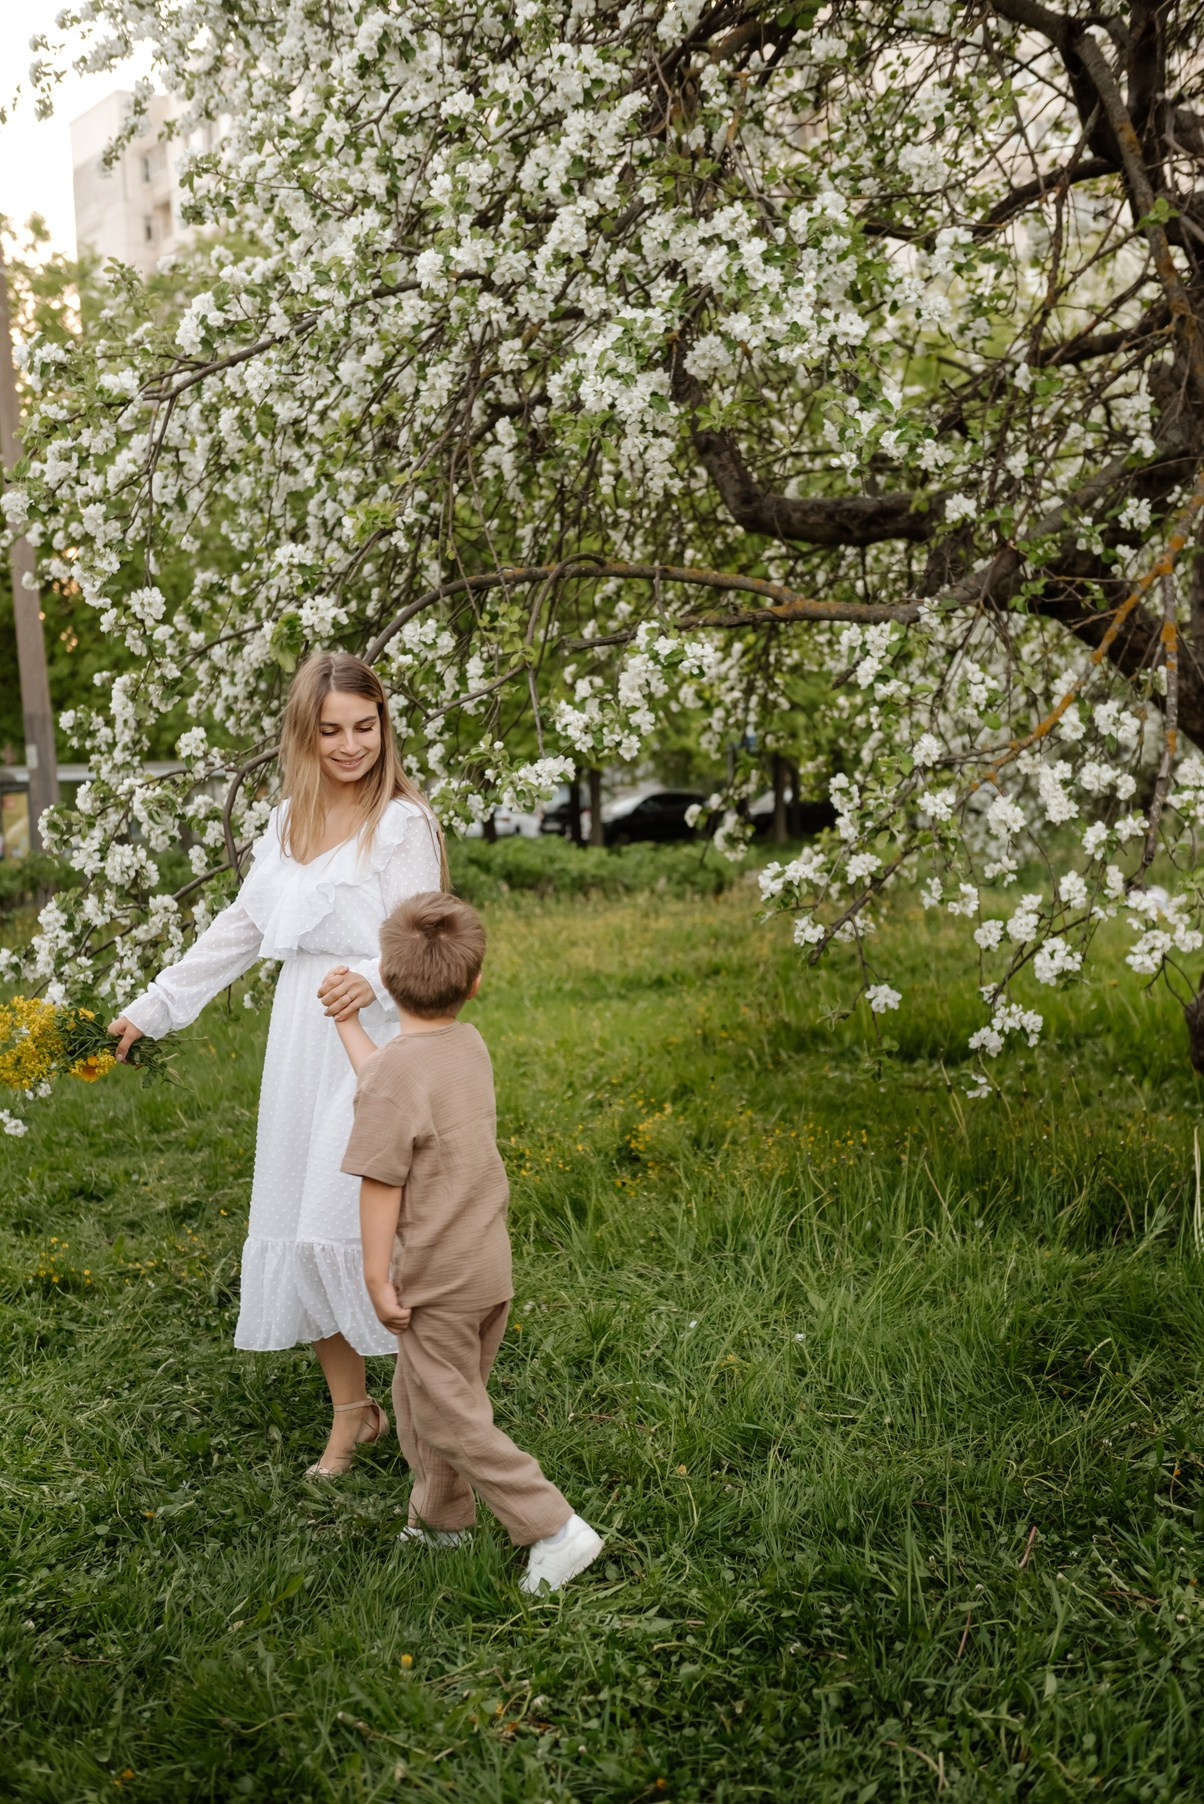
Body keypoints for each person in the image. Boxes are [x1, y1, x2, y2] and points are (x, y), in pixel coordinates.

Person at [107, 651, 447, 1480]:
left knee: (374, 1226)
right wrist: (153, 1007)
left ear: (383, 725)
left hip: (376, 1038)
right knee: (303, 1222)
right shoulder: (287, 823)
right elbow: (242, 927)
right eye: (330, 730)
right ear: (304, 733)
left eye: (365, 727)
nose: (350, 745)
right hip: (301, 1040)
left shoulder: (402, 825)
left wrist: (363, 976)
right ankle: (350, 1415)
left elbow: (426, 940)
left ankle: (437, 1418)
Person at [332, 889, 604, 1594]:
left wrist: (374, 1277)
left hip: (436, 1279)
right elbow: (390, 1083)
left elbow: (381, 1181)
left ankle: (553, 1525)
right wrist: (349, 1024)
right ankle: (442, 1521)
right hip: (488, 1267)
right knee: (423, 1396)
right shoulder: (467, 1046)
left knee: (452, 1414)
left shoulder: (397, 1073)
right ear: (475, 983)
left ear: (387, 982)